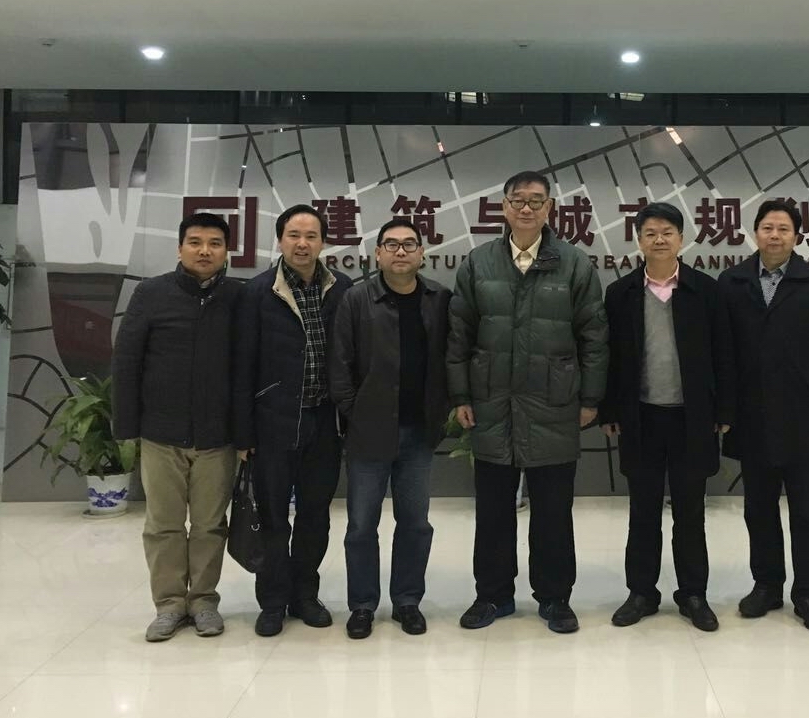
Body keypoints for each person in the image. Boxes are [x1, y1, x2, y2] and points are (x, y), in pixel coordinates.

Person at [447, 171, 608, 634]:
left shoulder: (574, 264)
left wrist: (590, 397)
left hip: (554, 403)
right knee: (493, 511)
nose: (526, 208)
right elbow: (458, 336)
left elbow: (594, 337)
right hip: (492, 403)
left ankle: (555, 598)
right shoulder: (479, 263)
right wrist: (461, 395)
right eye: (518, 200)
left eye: (537, 201)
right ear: (503, 206)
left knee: (553, 512)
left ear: (550, 209)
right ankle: (492, 595)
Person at [599, 202, 733, 632]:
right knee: (642, 510)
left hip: (692, 419)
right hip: (640, 417)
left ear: (681, 239)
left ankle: (693, 594)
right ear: (639, 241)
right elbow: (610, 358)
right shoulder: (620, 293)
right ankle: (641, 592)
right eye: (650, 233)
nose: (659, 239)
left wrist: (724, 409)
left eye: (667, 232)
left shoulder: (705, 290)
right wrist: (609, 409)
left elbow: (724, 353)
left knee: (690, 512)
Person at [719, 199, 809, 634]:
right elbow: (722, 350)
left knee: (807, 513)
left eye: (784, 229)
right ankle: (767, 586)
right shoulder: (732, 281)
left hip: (802, 417)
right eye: (767, 228)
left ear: (797, 235)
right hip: (752, 416)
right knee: (758, 509)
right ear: (754, 232)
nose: (775, 236)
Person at [112, 212, 242, 642]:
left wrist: (244, 432)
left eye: (215, 243)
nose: (205, 251)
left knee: (209, 525)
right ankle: (168, 605)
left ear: (226, 251)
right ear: (180, 247)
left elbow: (249, 367)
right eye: (195, 242)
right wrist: (126, 425)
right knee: (163, 525)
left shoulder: (239, 297)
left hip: (217, 436)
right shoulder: (151, 293)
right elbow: (127, 360)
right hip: (161, 434)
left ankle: (203, 601)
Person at [233, 203, 352, 637]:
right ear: (280, 240)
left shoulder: (343, 289)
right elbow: (241, 365)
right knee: (272, 517)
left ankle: (305, 595)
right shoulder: (257, 292)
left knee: (315, 516)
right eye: (294, 236)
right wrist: (242, 432)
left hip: (324, 422)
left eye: (311, 236)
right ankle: (272, 601)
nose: (302, 244)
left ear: (324, 242)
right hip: (272, 423)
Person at [329, 219, 451, 639]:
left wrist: (442, 413)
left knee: (415, 522)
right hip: (369, 433)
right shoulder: (356, 298)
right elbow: (340, 363)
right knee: (361, 525)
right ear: (378, 254)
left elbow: (450, 359)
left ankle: (407, 601)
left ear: (422, 253)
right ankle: (362, 605)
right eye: (392, 244)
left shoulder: (439, 298)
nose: (401, 251)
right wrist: (355, 412)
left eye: (409, 244)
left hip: (419, 431)